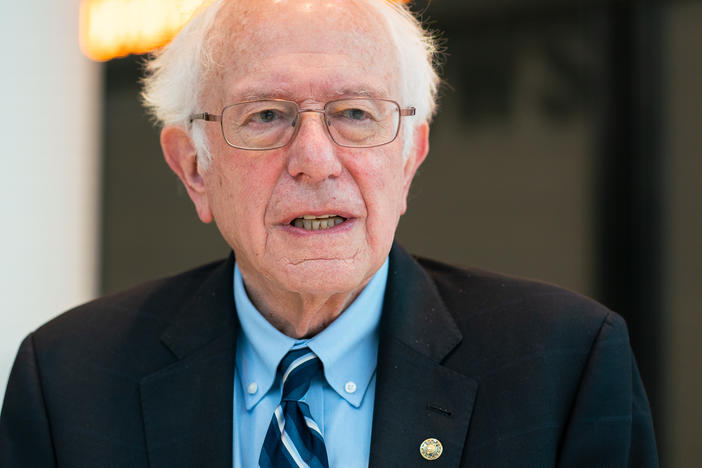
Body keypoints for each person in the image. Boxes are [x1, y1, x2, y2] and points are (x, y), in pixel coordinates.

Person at [0, 0, 658, 466]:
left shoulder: (564, 365)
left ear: (410, 156)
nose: (316, 159)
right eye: (266, 115)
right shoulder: (69, 381)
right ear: (193, 166)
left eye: (354, 113)